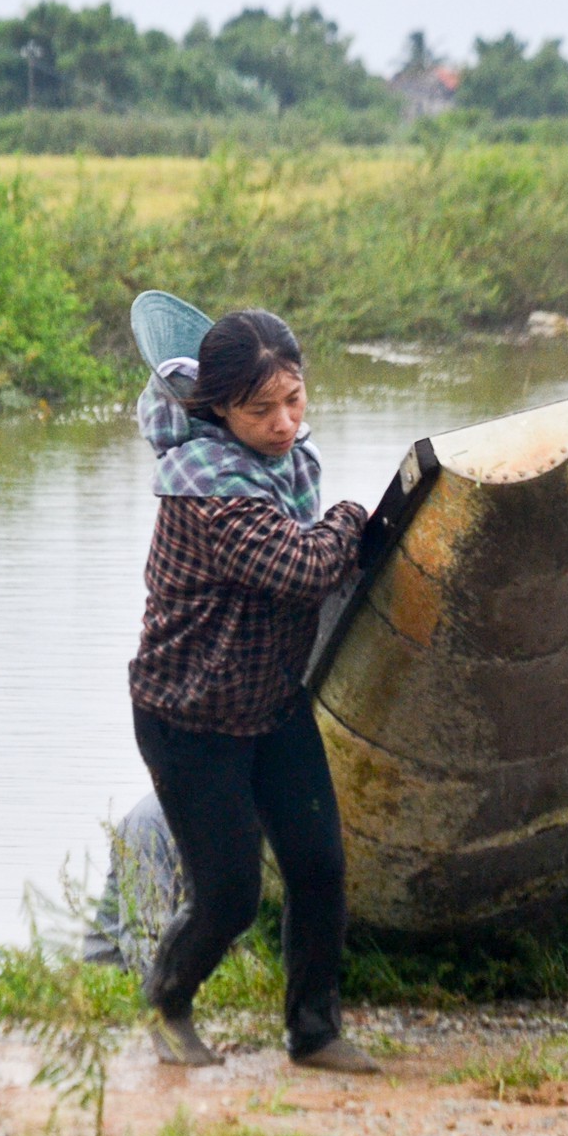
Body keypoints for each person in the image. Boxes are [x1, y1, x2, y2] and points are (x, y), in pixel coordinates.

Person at [126, 292, 379, 1072]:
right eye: (260, 408)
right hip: (189, 716)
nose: (284, 422)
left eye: (295, 399)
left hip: (269, 701)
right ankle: (167, 1002)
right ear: (218, 410)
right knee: (231, 891)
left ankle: (315, 1029)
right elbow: (302, 568)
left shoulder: (283, 464)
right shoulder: (207, 489)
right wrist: (352, 517)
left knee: (319, 866)